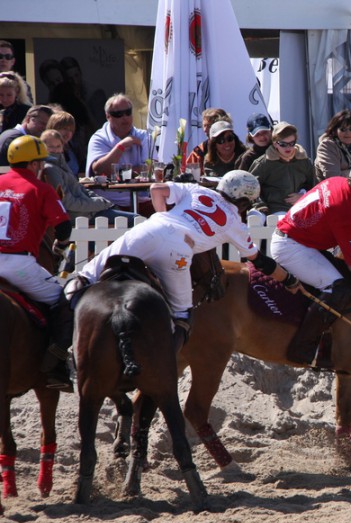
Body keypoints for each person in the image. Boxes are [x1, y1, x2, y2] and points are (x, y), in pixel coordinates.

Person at [76, 170, 301, 352]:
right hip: (179, 251)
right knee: (182, 315)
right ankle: (164, 363)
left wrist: (163, 218)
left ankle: (63, 342)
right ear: (244, 203)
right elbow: (259, 261)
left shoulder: (197, 189)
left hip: (149, 230)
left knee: (86, 274)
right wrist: (289, 280)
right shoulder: (235, 223)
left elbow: (156, 189)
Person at [270, 158, 351, 366]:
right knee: (339, 288)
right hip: (292, 248)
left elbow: (339, 208)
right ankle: (302, 348)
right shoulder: (343, 210)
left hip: (296, 240)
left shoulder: (338, 182)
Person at [0, 135, 73, 388]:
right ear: (33, 164)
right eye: (40, 162)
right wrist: (60, 245)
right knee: (63, 301)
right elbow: (63, 228)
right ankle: (57, 364)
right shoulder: (41, 189)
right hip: (18, 267)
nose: (42, 166)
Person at [40, 129, 138, 226]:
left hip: (87, 213)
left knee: (133, 218)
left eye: (58, 146)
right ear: (43, 148)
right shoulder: (51, 169)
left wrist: (101, 201)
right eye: (51, 147)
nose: (56, 150)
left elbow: (80, 189)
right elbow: (66, 202)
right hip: (79, 217)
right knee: (136, 220)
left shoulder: (62, 165)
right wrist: (99, 204)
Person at [85, 93, 150, 212]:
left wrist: (117, 172)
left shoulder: (143, 136)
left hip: (141, 199)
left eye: (128, 112)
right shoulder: (99, 138)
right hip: (109, 203)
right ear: (108, 116)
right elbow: (100, 171)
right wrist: (121, 146)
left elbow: (148, 170)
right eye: (118, 114)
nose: (124, 117)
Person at [249, 121, 315, 216]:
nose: (288, 147)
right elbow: (251, 187)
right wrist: (260, 205)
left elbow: (314, 184)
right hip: (275, 210)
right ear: (275, 143)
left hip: (302, 207)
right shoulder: (264, 163)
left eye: (292, 143)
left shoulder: (304, 161)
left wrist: (303, 194)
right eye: (283, 144)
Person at [314, 109, 351, 181]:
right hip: (332, 187)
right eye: (343, 129)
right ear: (335, 131)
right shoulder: (327, 146)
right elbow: (334, 177)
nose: (348, 133)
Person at [46, 110, 83, 176]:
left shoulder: (73, 148)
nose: (68, 133)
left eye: (71, 130)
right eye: (64, 128)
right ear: (53, 127)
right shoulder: (46, 149)